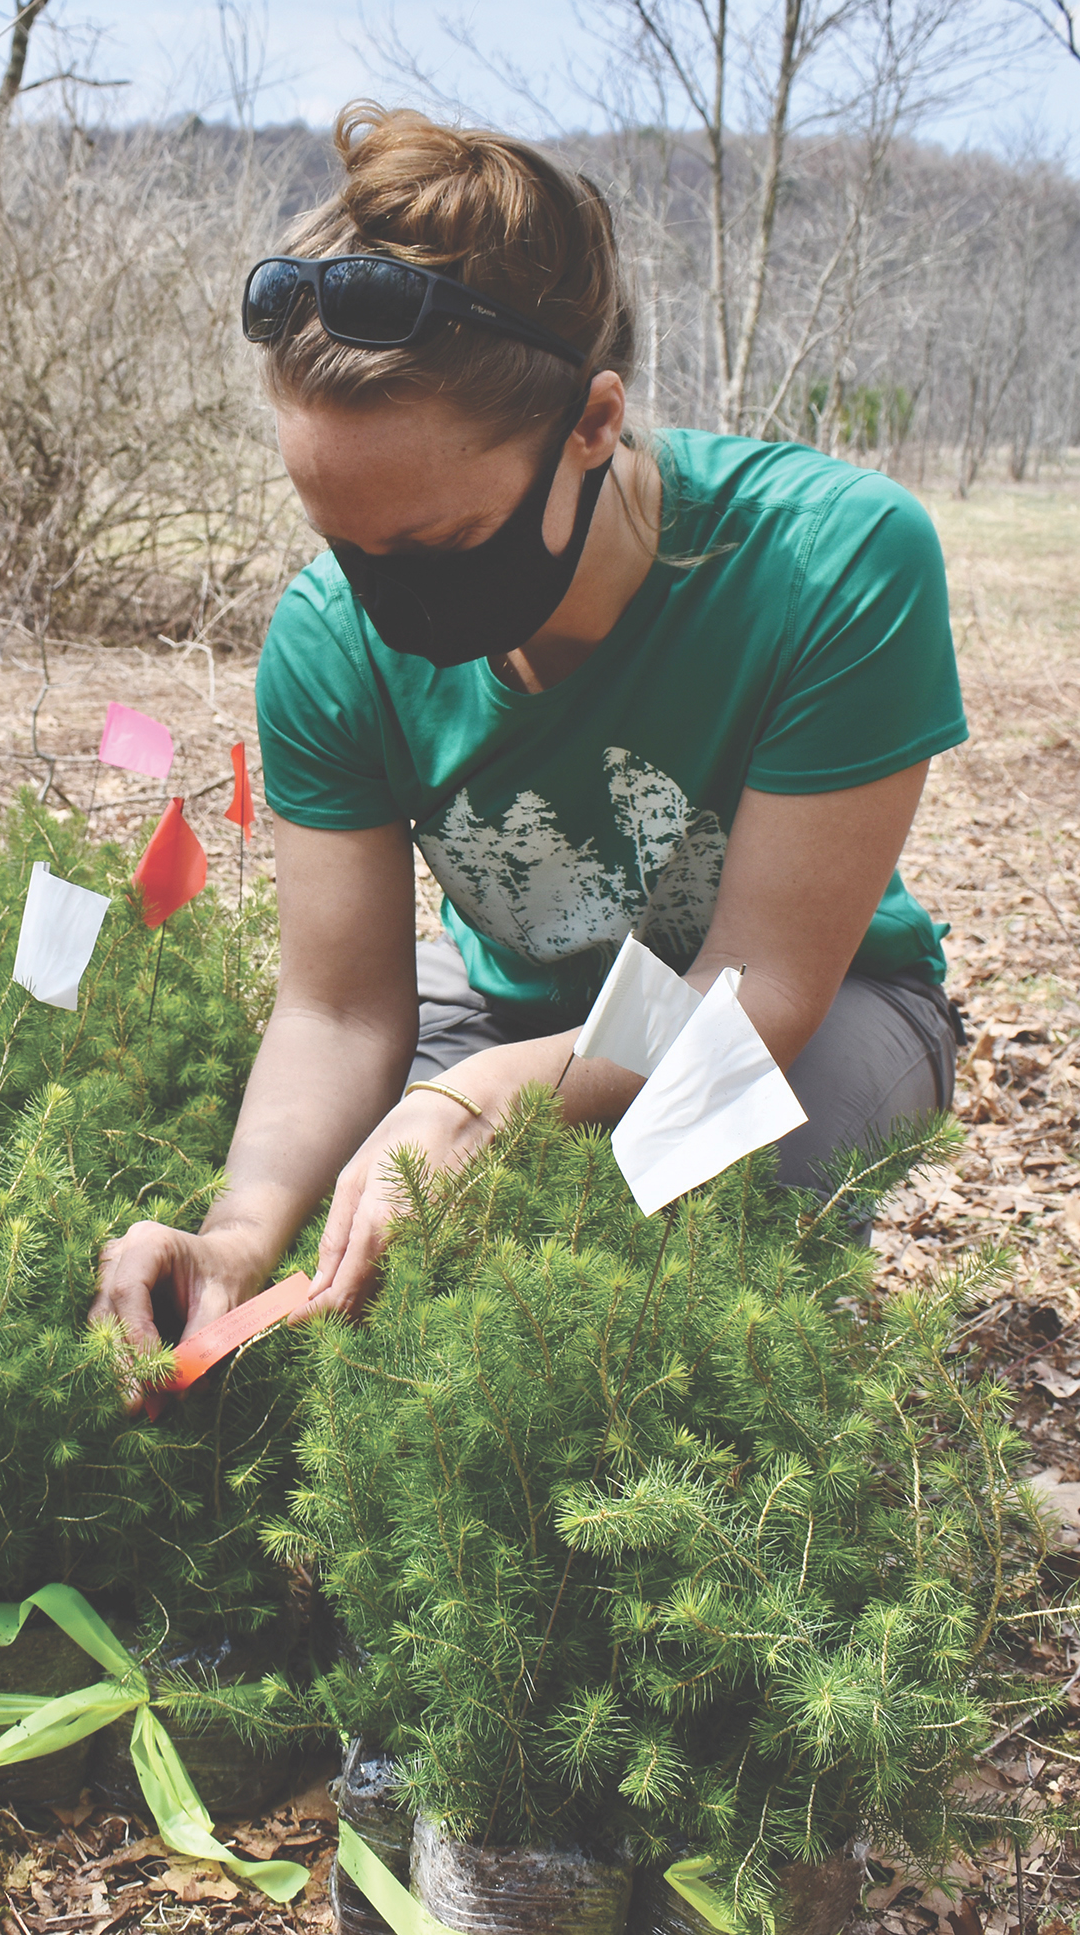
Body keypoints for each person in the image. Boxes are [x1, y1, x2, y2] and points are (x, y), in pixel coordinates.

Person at [92, 104, 967, 1352]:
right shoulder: (328, 638)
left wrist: (492, 1092)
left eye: (441, 542)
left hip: (818, 1007)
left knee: (668, 1224)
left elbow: (756, 987)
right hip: (508, 994)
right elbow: (335, 1011)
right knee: (350, 1251)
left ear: (593, 424)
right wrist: (239, 1231)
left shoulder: (833, 564)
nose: (388, 599)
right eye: (347, 544)